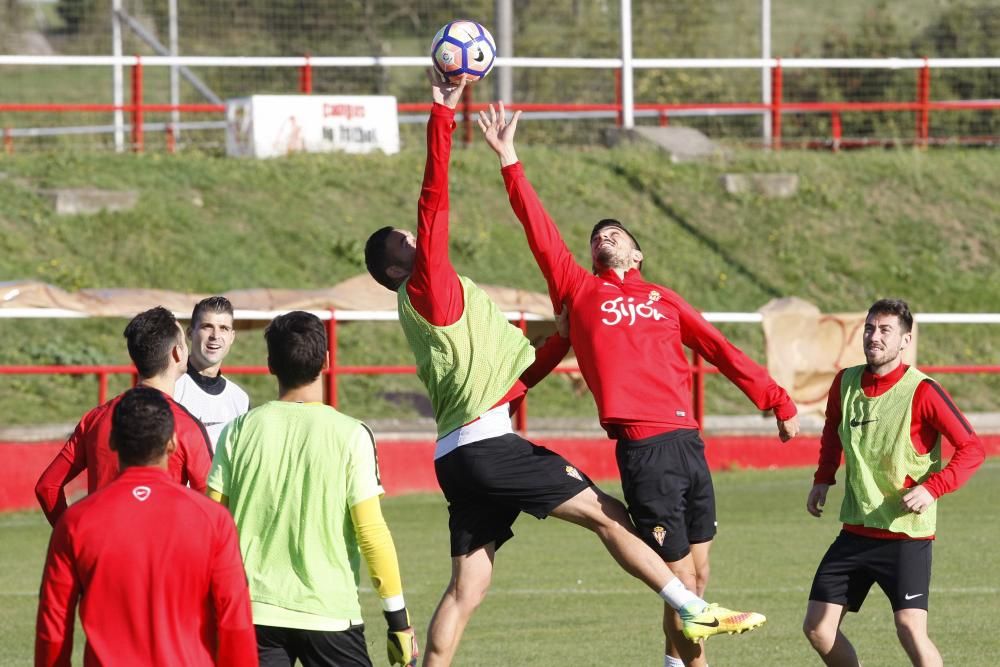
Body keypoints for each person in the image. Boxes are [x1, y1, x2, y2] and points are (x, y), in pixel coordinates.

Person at [363, 75, 765, 667]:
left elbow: (518, 371)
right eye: (410, 236)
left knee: (466, 589)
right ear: (405, 256)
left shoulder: (423, 309)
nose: (419, 234)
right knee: (611, 517)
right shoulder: (431, 286)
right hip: (490, 446)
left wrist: (568, 335)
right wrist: (442, 111)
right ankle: (688, 603)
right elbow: (434, 196)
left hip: (454, 454)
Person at [478, 101, 798, 666]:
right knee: (677, 578)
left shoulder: (663, 298)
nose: (606, 237)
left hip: (688, 442)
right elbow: (539, 230)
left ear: (637, 252)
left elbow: (719, 348)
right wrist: (510, 160)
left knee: (698, 575)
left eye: (617, 233)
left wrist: (774, 398)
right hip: (645, 448)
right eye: (598, 235)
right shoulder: (579, 292)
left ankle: (675, 663)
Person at [207, 310, 419, 667]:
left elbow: (211, 526)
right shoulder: (352, 434)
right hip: (330, 613)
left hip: (251, 613)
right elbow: (371, 532)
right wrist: (398, 621)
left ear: (270, 364)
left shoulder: (239, 431)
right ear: (327, 361)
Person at [802, 299, 985, 667]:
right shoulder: (846, 382)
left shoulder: (924, 391)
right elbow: (832, 432)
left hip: (906, 535)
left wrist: (933, 487)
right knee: (818, 629)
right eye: (870, 328)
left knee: (909, 629)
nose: (875, 336)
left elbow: (973, 448)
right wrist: (824, 477)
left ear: (905, 340)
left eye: (885, 330)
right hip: (856, 529)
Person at [35, 387, 257, 666]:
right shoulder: (213, 520)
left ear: (113, 442)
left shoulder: (75, 523)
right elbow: (234, 621)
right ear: (173, 443)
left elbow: (53, 630)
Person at [35, 306, 213, 526]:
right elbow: (212, 504)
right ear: (177, 353)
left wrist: (74, 536)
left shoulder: (95, 418)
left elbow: (47, 486)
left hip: (99, 555)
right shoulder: (186, 425)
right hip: (159, 557)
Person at [174, 296, 251, 452]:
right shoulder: (171, 387)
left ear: (232, 337)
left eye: (224, 328)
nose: (215, 336)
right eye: (207, 326)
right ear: (190, 333)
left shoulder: (240, 399)